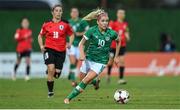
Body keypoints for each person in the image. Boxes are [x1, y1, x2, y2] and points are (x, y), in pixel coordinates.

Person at [64, 9, 121, 104]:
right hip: (88, 59)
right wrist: (82, 54)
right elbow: (81, 44)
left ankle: (68, 98)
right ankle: (95, 82)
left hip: (101, 61)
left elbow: (118, 41)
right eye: (102, 21)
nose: (105, 23)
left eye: (106, 21)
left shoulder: (112, 33)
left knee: (85, 81)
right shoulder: (91, 31)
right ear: (97, 22)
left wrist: (116, 56)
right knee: (82, 78)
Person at [38, 4, 74, 98]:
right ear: (52, 12)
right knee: (51, 69)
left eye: (60, 11)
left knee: (57, 74)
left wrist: (70, 43)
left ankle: (52, 71)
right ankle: (50, 92)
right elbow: (40, 36)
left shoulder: (65, 24)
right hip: (49, 49)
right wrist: (42, 46)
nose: (58, 12)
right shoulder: (46, 24)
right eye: (56, 10)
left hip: (61, 51)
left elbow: (71, 34)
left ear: (62, 12)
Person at [67, 7, 89, 87]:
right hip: (71, 45)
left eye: (76, 11)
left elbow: (88, 30)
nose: (74, 13)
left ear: (78, 13)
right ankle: (73, 81)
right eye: (73, 12)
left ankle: (70, 74)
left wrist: (80, 34)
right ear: (70, 13)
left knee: (76, 62)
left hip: (80, 45)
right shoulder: (68, 22)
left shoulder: (82, 21)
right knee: (73, 62)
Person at [107, 9, 130, 84]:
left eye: (123, 13)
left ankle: (120, 79)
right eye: (120, 13)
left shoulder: (125, 24)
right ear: (117, 14)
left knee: (122, 61)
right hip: (113, 46)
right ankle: (108, 75)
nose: (121, 14)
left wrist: (127, 37)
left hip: (122, 45)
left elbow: (126, 32)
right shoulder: (112, 23)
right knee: (110, 62)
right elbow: (109, 32)